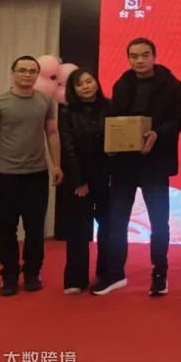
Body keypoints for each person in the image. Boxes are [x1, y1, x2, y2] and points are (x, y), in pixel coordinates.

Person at [91, 38, 181, 297]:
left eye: (145, 55)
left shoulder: (172, 85)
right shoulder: (122, 84)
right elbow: (114, 120)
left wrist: (158, 133)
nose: (140, 60)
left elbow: (178, 120)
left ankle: (160, 273)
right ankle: (115, 272)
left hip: (156, 162)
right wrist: (111, 142)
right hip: (124, 163)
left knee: (159, 221)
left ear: (154, 56)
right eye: (134, 56)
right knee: (117, 220)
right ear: (129, 58)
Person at [0, 56, 63, 296]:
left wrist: (57, 165)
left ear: (38, 74)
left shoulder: (45, 101)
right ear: (13, 72)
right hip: (5, 175)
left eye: (32, 71)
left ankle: (32, 273)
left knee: (35, 227)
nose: (27, 75)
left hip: (37, 174)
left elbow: (52, 133)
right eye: (22, 70)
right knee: (7, 227)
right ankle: (8, 274)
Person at [60, 68, 111, 295]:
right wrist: (79, 181)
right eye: (79, 84)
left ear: (96, 82)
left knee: (109, 227)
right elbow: (68, 148)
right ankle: (76, 278)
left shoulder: (111, 107)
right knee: (79, 229)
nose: (85, 87)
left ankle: (106, 273)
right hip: (79, 178)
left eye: (89, 81)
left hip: (107, 176)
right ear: (73, 90)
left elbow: (118, 142)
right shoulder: (67, 112)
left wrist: (111, 175)